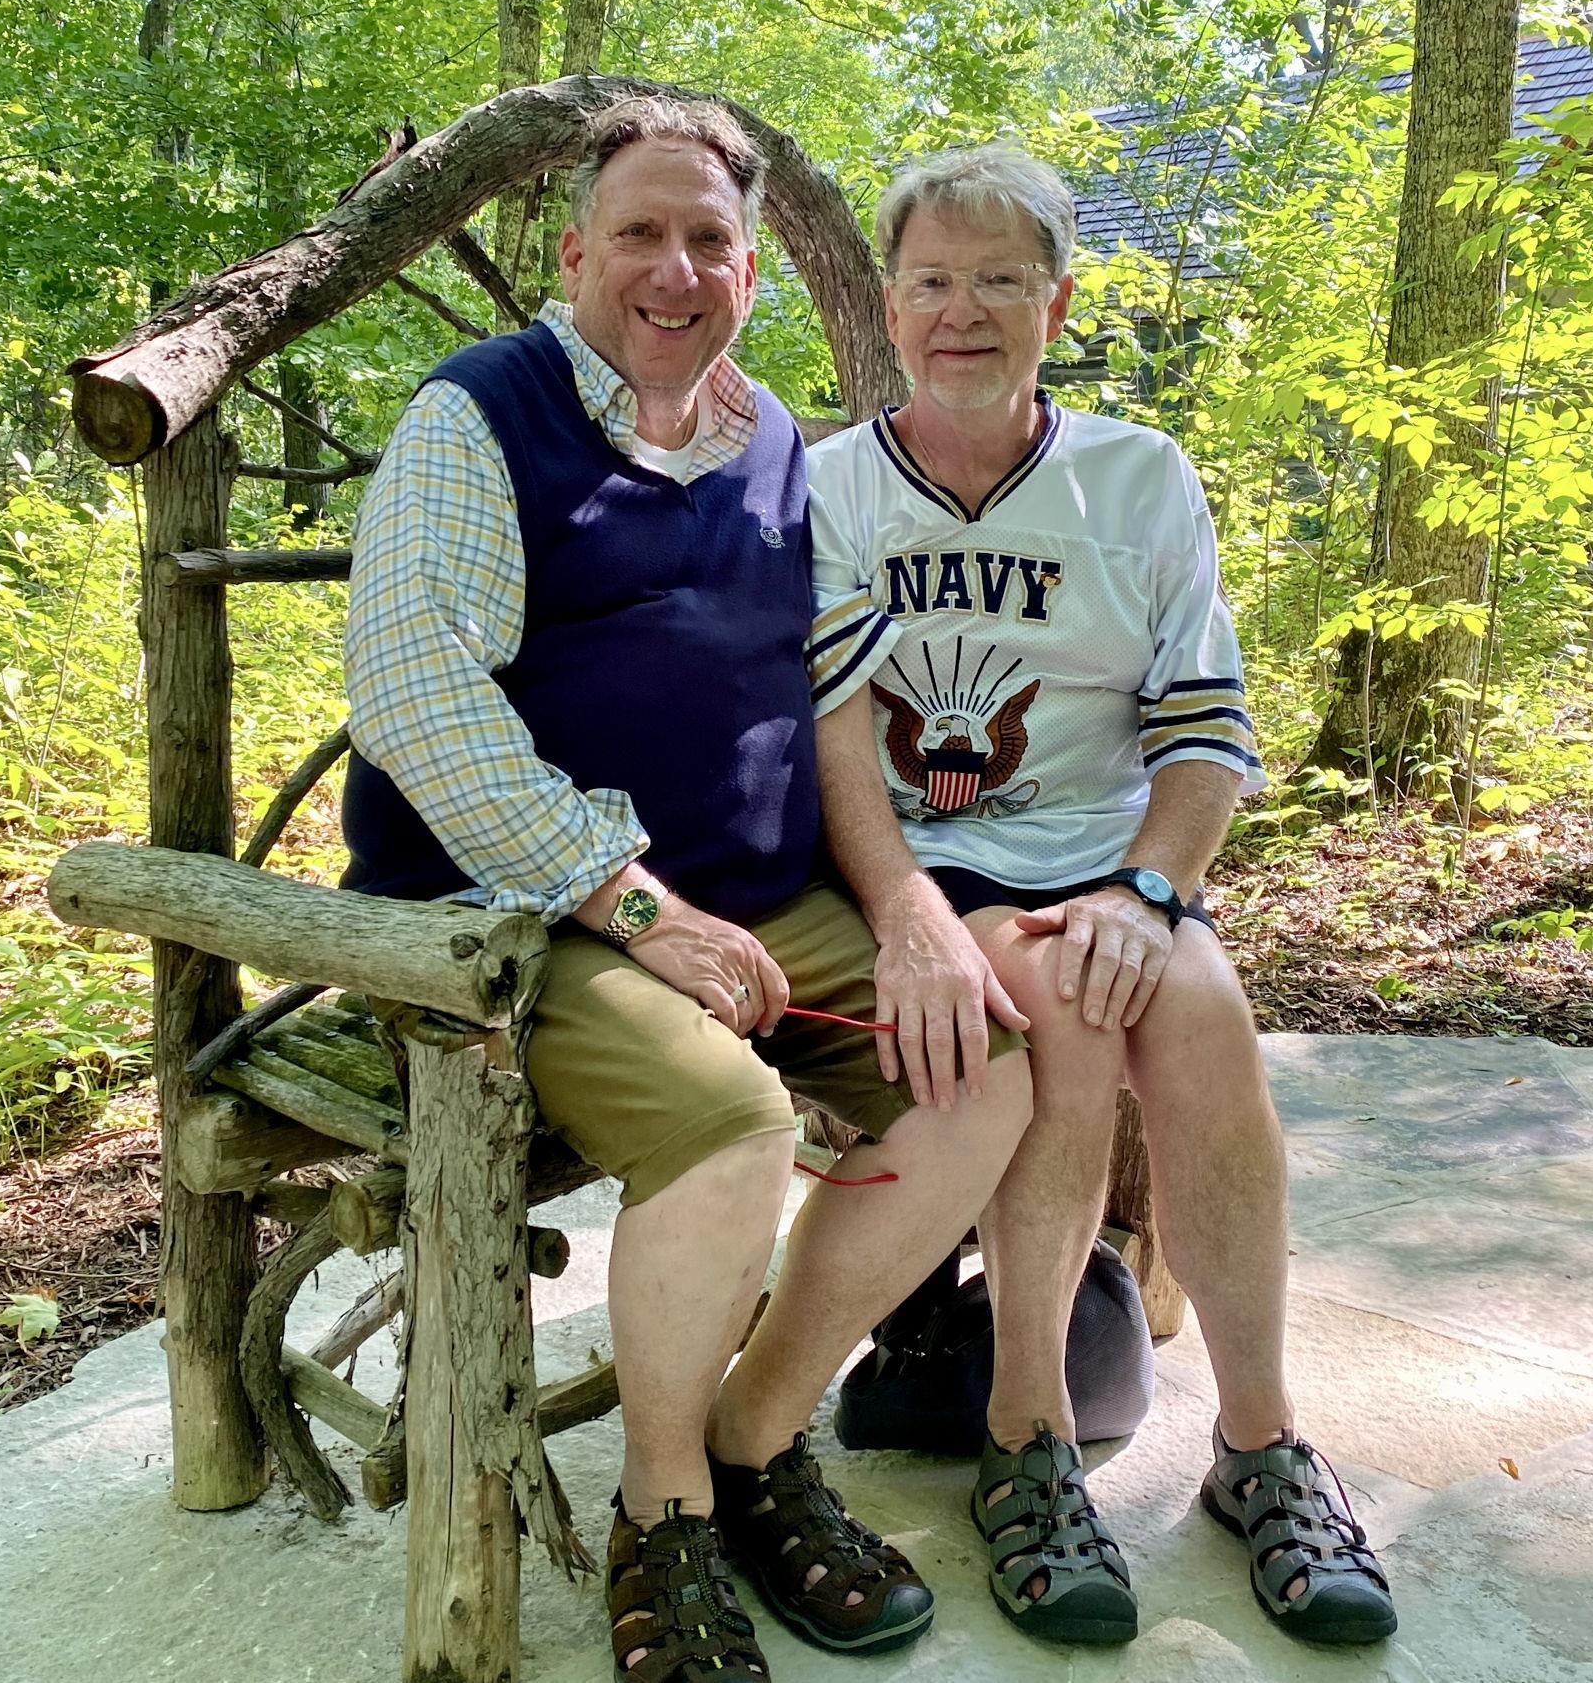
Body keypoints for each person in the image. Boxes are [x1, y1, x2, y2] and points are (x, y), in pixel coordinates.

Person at [339, 96, 1033, 1683]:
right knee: (734, 1124)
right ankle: (661, 1515)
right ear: (576, 254)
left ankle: (751, 1434)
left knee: (985, 1065)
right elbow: (416, 697)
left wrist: (913, 907)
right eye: (639, 235)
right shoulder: (481, 415)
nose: (675, 268)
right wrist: (634, 905)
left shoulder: (777, 441)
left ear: (748, 272)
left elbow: (837, 695)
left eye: (710, 240)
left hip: (751, 898)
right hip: (505, 921)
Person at [803, 143, 1397, 1648]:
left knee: (1202, 1026)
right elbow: (817, 739)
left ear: (1056, 304)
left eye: (1002, 280)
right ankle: (1031, 1439)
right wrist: (908, 914)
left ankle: (1260, 1447)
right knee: (1063, 1016)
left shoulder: (1136, 479)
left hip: (1102, 847)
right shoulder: (824, 491)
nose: (964, 311)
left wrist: (1149, 889)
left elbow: (1208, 729)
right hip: (938, 861)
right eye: (933, 280)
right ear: (889, 303)